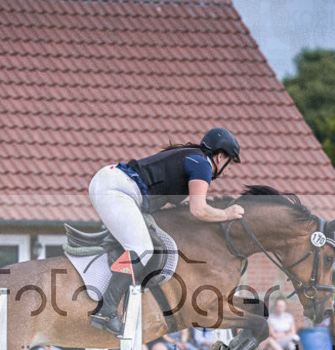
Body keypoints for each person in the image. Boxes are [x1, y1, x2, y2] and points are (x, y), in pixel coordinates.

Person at [87, 128, 243, 335]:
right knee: (142, 249)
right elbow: (199, 209)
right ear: (220, 156)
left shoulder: (192, 157)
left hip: (114, 185)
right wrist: (226, 214)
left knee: (141, 244)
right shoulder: (202, 164)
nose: (228, 168)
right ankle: (106, 311)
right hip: (117, 189)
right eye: (229, 161)